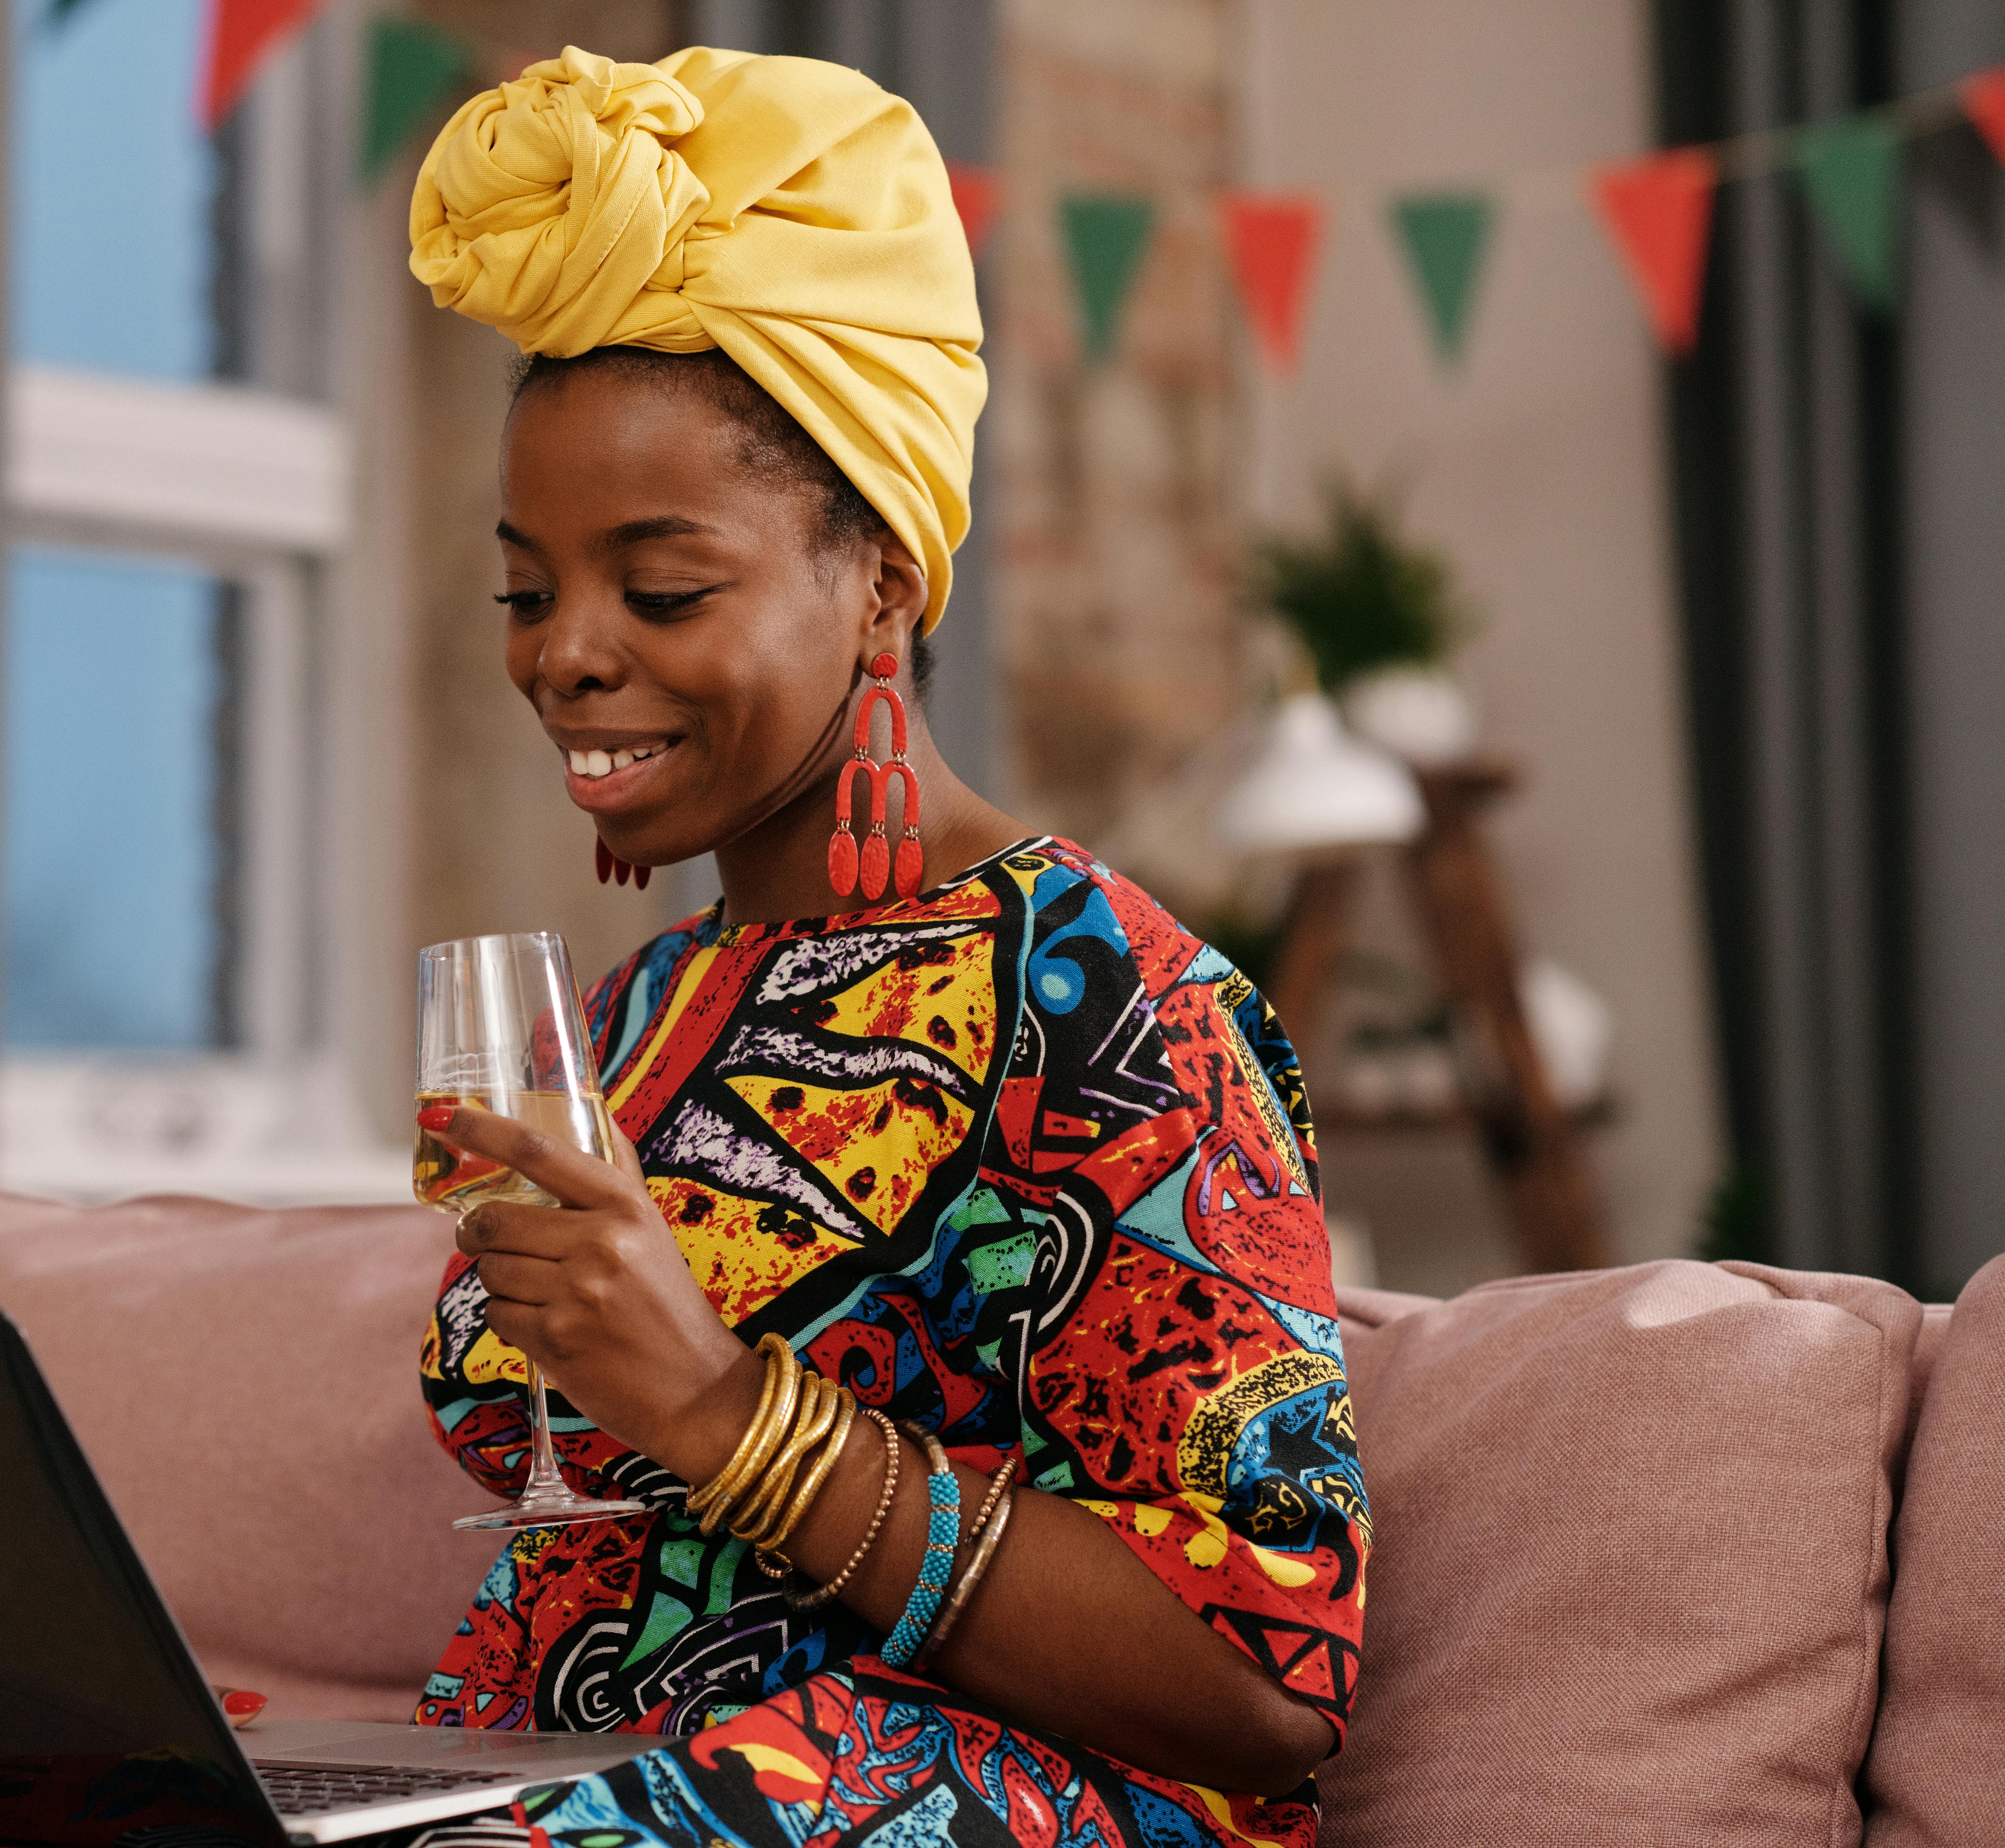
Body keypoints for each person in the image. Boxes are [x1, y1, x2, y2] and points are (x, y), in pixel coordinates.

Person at [406, 46, 1366, 1848]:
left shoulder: (1116, 1006)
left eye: (663, 589)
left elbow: (1262, 1693)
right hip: (564, 1785)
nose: (562, 655)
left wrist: (713, 1404)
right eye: (527, 592)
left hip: (980, 1798)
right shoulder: (630, 1010)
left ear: (885, 586)